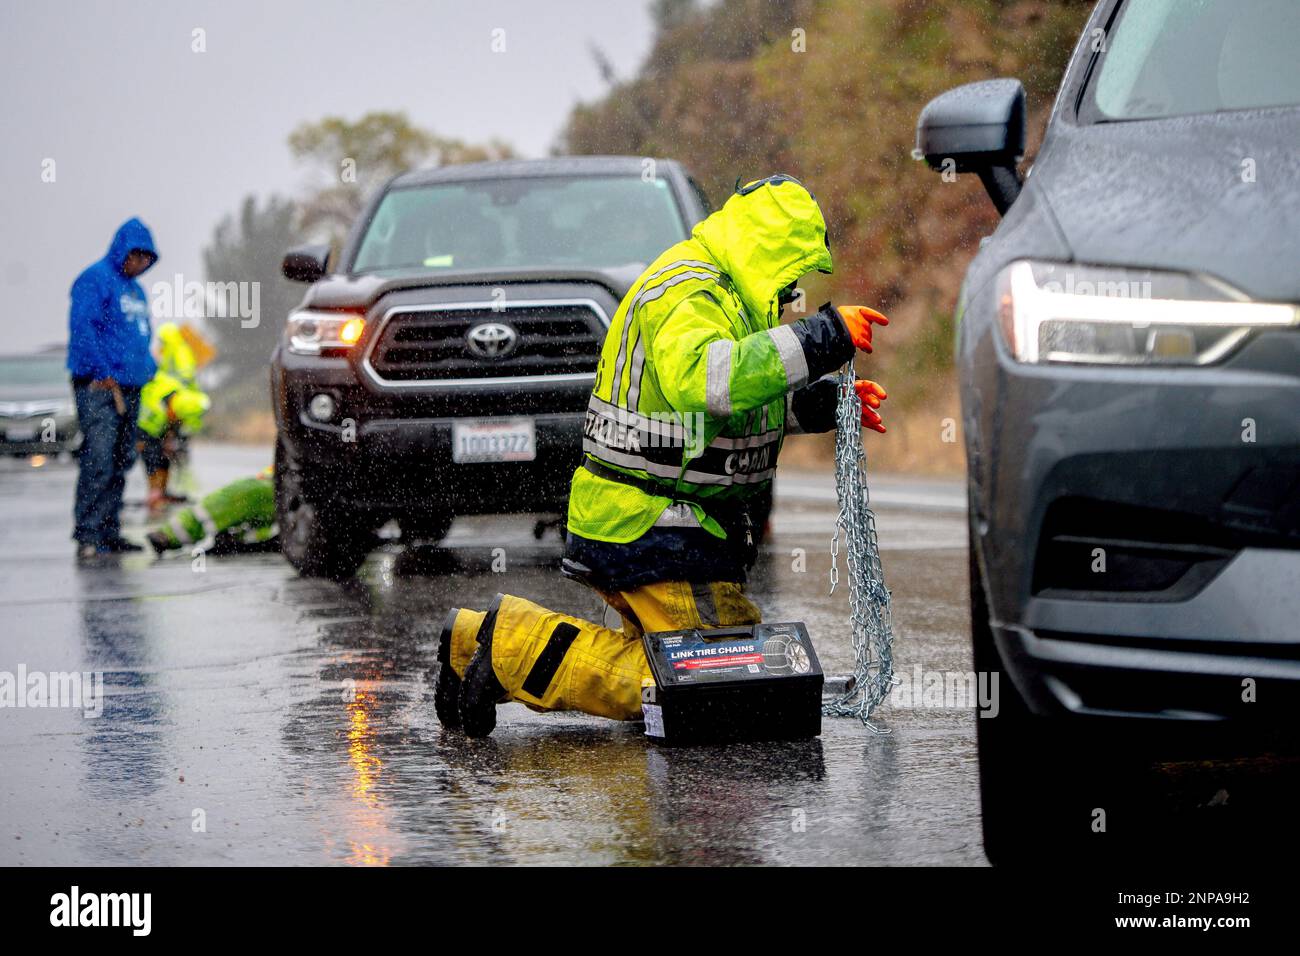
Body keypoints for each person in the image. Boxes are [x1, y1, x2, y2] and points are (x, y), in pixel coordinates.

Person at [435, 175, 890, 737]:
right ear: (767, 249)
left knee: (707, 669)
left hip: (662, 525)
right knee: (713, 678)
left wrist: (821, 406)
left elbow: (723, 413)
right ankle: (509, 646)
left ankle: (470, 640)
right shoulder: (689, 290)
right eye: (792, 270)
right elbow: (707, 382)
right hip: (654, 527)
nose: (795, 286)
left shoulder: (732, 297)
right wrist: (822, 337)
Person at [67, 218, 159, 559]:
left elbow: (141, 334)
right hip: (100, 385)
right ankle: (89, 534)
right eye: (138, 256)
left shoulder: (136, 291)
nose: (142, 264)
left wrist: (148, 368)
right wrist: (101, 370)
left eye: (148, 259)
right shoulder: (95, 279)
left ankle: (110, 530)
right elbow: (83, 327)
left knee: (122, 458)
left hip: (131, 385)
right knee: (100, 458)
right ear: (125, 251)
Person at [146, 468, 276, 556]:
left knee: (253, 491)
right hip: (281, 485)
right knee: (255, 491)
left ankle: (172, 534)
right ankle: (241, 540)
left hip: (282, 489)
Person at [136, 371, 210, 516]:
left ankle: (161, 492)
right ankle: (154, 492)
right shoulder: (154, 410)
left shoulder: (183, 397)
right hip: (143, 423)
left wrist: (173, 436)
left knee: (165, 455)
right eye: (177, 419)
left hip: (158, 417)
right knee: (153, 454)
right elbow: (148, 447)